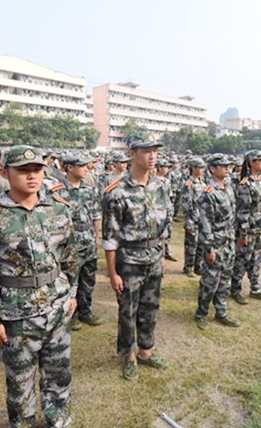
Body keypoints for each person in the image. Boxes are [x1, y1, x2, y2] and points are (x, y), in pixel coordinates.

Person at [0, 145, 80, 428]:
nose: (32, 176)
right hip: (16, 314)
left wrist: (72, 293)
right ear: (5, 173)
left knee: (58, 373)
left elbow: (70, 256)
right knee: (20, 381)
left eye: (37, 169)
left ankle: (58, 419)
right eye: (23, 170)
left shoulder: (58, 209)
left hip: (57, 305)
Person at [101, 131, 170, 381]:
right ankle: (128, 355)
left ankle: (145, 351)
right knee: (128, 311)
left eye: (155, 151)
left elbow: (164, 224)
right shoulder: (117, 192)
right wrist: (112, 273)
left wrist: (162, 254)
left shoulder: (159, 186)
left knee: (150, 308)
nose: (152, 156)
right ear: (132, 154)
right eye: (146, 151)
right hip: (129, 260)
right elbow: (110, 237)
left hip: (154, 258)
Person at [53, 152, 103, 331]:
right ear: (70, 167)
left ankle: (85, 311)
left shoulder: (89, 190)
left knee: (88, 278)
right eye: (81, 166)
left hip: (88, 239)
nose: (86, 169)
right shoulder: (58, 192)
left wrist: (97, 236)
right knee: (70, 279)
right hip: (70, 243)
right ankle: (70, 314)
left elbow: (95, 214)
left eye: (86, 165)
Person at [195, 154, 240, 329]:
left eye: (228, 165)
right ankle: (201, 313)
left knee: (225, 280)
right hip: (215, 243)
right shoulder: (208, 194)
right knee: (210, 281)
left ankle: (221, 312)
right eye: (223, 166)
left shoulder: (228, 188)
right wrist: (209, 248)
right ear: (213, 168)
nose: (227, 168)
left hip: (228, 242)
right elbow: (205, 224)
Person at [231, 150, 261, 304]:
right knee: (241, 260)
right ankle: (235, 289)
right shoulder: (245, 184)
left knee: (256, 259)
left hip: (258, 227)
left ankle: (255, 289)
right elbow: (243, 211)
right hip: (248, 229)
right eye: (260, 160)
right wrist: (243, 234)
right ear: (251, 163)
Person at [181, 158, 207, 277]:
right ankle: (188, 267)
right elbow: (187, 205)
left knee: (201, 244)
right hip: (193, 218)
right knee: (191, 245)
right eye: (200, 167)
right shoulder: (189, 185)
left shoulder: (203, 183)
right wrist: (189, 222)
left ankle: (198, 266)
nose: (203, 170)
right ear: (194, 168)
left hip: (202, 219)